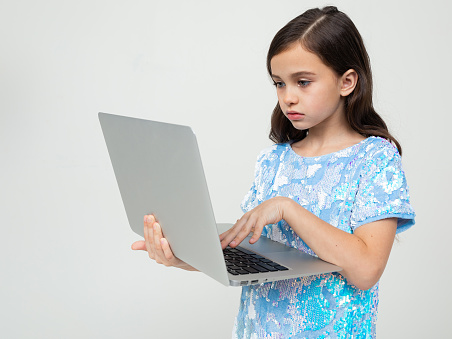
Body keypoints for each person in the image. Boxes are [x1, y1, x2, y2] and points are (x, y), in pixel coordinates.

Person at [132, 6, 415, 338]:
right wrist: (181, 255)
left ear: (347, 82)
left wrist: (288, 208)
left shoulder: (375, 158)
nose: (288, 97)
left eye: (303, 82)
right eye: (279, 83)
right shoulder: (273, 161)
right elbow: (257, 254)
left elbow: (366, 270)